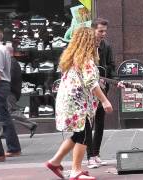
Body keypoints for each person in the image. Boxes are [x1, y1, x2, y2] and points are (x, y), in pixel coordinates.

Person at [45, 27, 113, 180]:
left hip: (70, 102)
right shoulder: (85, 59)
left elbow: (85, 79)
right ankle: (75, 171)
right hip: (78, 104)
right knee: (84, 136)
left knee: (78, 135)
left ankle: (55, 162)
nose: (98, 41)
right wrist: (105, 100)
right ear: (87, 41)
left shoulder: (74, 56)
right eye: (95, 39)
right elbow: (91, 82)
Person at [86, 18, 116, 168]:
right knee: (87, 124)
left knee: (99, 122)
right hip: (87, 91)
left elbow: (111, 65)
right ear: (93, 30)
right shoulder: (85, 46)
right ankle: (89, 156)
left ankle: (96, 154)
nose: (103, 34)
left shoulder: (106, 46)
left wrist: (108, 78)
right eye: (100, 31)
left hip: (102, 87)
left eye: (105, 31)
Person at [0, 27, 21, 157]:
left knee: (3, 117)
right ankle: (7, 147)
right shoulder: (0, 50)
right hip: (0, 86)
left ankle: (13, 148)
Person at [0, 45, 38, 138]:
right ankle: (3, 132)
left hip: (9, 91)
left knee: (11, 110)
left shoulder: (11, 62)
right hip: (10, 91)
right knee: (5, 111)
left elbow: (9, 78)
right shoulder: (11, 62)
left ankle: (31, 124)